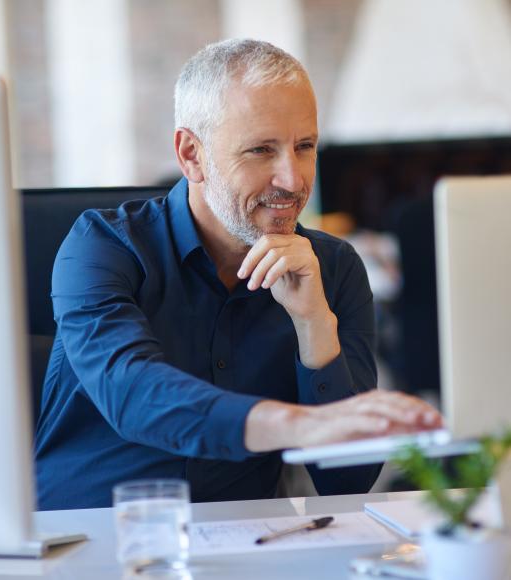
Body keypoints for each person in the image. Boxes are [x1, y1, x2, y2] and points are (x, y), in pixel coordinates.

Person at [35, 39, 441, 510]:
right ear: (192, 154)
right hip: (90, 537)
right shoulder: (102, 247)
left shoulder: (332, 268)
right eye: (261, 150)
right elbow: (135, 393)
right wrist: (302, 425)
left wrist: (314, 323)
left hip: (251, 543)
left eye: (304, 146)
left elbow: (347, 480)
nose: (292, 179)